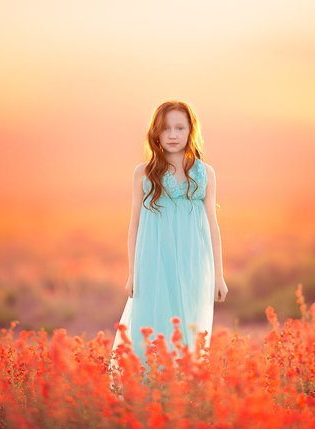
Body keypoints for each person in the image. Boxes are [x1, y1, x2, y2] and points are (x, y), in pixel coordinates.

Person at [108, 99, 228, 381]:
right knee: (152, 322)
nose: (173, 134)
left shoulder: (205, 173)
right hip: (154, 263)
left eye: (179, 128)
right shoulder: (144, 173)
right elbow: (134, 225)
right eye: (166, 129)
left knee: (189, 326)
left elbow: (213, 224)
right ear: (156, 133)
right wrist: (132, 273)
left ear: (190, 131)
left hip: (193, 263)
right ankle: (146, 389)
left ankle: (181, 391)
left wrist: (219, 276)